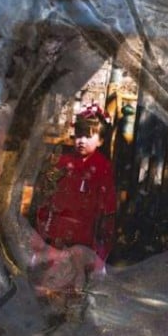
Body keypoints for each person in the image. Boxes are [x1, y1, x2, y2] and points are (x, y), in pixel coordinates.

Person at [31, 103, 116, 306]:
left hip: (83, 236)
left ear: (101, 140)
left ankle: (71, 313)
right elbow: (48, 197)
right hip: (58, 232)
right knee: (50, 278)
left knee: (77, 282)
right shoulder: (63, 162)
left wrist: (101, 250)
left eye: (88, 136)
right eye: (79, 135)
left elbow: (107, 209)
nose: (81, 141)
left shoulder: (102, 167)